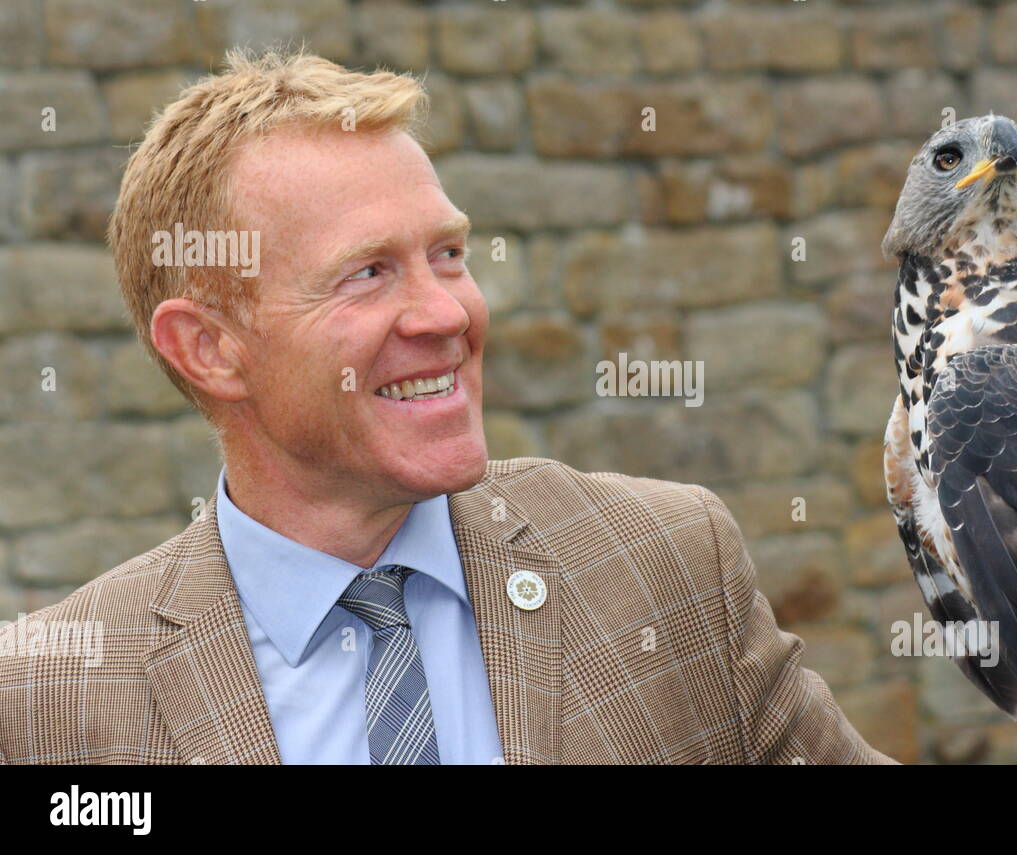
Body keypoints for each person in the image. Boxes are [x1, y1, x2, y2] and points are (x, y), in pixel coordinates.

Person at [0, 49, 895, 765]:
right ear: (209, 347)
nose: (448, 313)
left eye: (451, 254)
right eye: (369, 272)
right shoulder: (49, 700)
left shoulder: (666, 562)